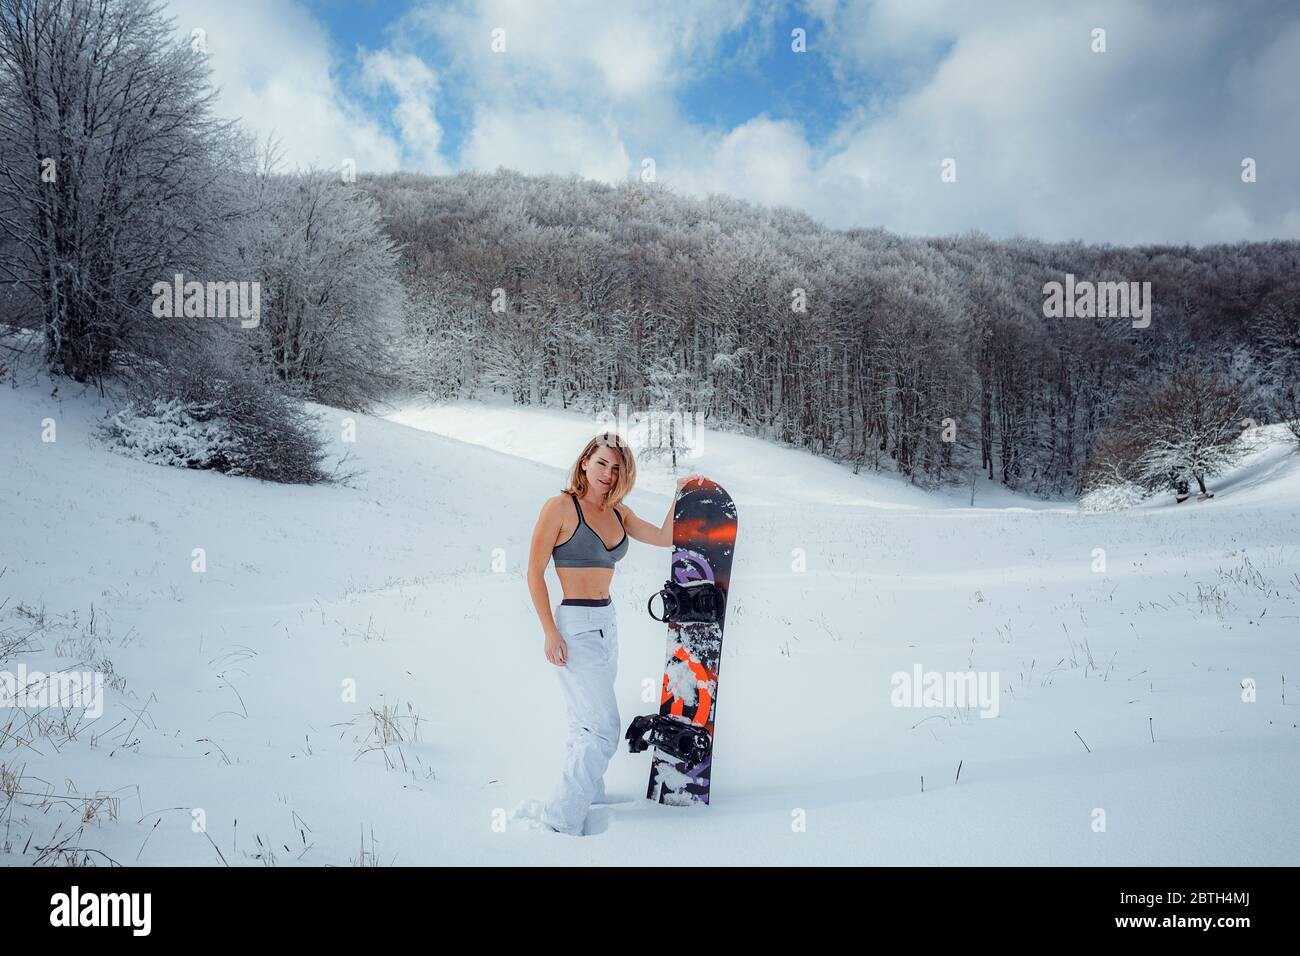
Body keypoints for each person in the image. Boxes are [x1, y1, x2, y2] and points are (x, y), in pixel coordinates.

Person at [521, 431, 701, 835]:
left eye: (616, 467)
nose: (607, 472)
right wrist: (550, 632)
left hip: (607, 621)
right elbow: (534, 571)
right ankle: (560, 818)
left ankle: (590, 794)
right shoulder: (561, 507)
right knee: (602, 728)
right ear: (585, 461)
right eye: (601, 463)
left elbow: (664, 536)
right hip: (575, 623)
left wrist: (681, 493)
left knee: (584, 721)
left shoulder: (620, 513)